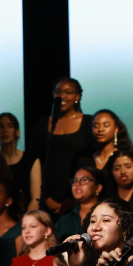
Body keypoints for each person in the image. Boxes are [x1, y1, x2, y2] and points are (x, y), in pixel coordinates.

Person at [26, 78, 94, 219]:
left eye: (68, 92)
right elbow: (34, 162)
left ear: (77, 96)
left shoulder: (88, 122)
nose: (62, 96)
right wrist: (46, 198)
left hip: (77, 198)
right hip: (46, 198)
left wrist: (69, 201)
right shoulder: (43, 123)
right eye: (58, 92)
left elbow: (90, 162)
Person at [77, 109, 130, 200]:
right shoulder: (84, 161)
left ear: (116, 129)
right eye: (96, 126)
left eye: (106, 125)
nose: (100, 130)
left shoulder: (123, 158)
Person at [0, 112, 38, 213]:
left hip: (25, 216)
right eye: (0, 127)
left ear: (17, 132)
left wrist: (24, 220)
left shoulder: (31, 160)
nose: (5, 130)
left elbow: (36, 199)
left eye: (10, 126)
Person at [56, 167, 105, 242]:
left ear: (98, 188)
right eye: (75, 181)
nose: (77, 184)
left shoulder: (106, 215)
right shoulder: (65, 220)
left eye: (84, 180)